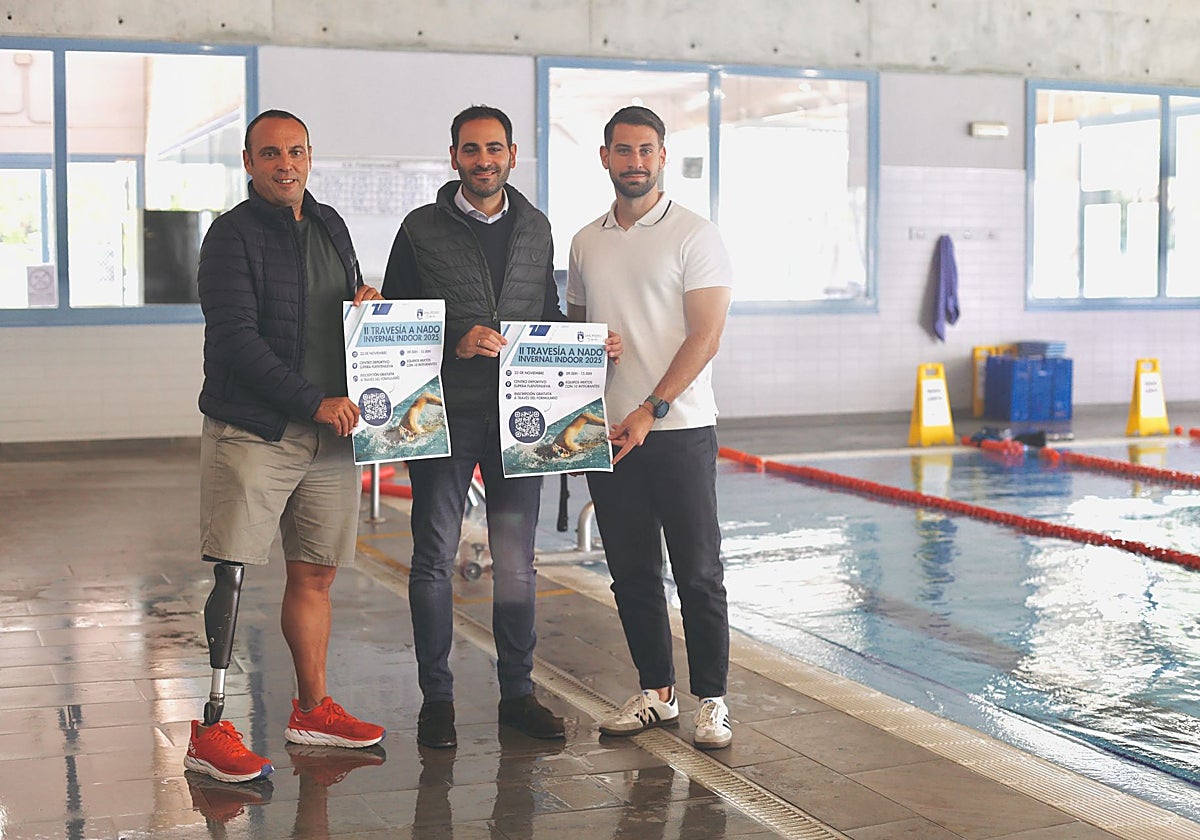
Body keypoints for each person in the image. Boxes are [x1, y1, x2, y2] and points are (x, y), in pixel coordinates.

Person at [382, 105, 619, 748]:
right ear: (453, 155)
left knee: (517, 562)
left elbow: (543, 312)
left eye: (494, 148)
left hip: (523, 418)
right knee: (432, 558)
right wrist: (457, 340)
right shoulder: (420, 229)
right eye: (470, 149)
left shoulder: (536, 227)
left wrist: (585, 349)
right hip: (445, 415)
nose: (483, 159)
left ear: (512, 154)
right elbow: (396, 323)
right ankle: (438, 701)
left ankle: (517, 693)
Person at [186, 109, 386, 784]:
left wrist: (366, 308)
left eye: (296, 151)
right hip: (256, 428)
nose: (285, 164)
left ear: (309, 155)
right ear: (248, 163)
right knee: (232, 570)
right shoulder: (229, 237)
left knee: (315, 573)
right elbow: (238, 342)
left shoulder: (330, 223)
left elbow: (334, 308)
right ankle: (210, 727)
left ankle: (312, 710)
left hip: (328, 432)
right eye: (270, 154)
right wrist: (312, 401)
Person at [566, 105, 735, 749]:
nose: (634, 162)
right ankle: (657, 692)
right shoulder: (586, 240)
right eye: (622, 151)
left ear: (661, 157)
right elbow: (578, 333)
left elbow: (706, 336)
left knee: (697, 572)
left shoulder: (696, 234)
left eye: (645, 151)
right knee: (631, 571)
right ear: (605, 158)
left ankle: (711, 699)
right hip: (608, 431)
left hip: (679, 427)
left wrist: (650, 408)